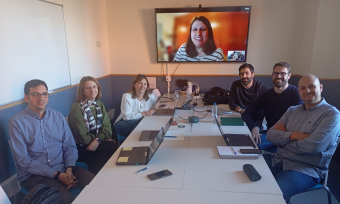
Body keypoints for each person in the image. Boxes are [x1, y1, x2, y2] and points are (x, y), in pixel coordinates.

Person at [9, 79, 94, 204]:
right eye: (35, 94)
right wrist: (56, 175)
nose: (41, 97)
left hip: (64, 167)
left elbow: (69, 146)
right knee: (65, 200)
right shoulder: (16, 122)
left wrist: (69, 168)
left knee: (97, 185)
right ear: (26, 97)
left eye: (44, 94)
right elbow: (24, 161)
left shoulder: (57, 116)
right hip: (35, 175)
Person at [264, 74, 340, 200]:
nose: (307, 91)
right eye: (303, 88)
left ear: (320, 87)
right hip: (277, 159)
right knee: (242, 174)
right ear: (298, 91)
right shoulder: (292, 110)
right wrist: (293, 135)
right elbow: (270, 135)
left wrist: (283, 141)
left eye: (311, 86)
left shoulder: (332, 115)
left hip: (304, 169)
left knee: (272, 195)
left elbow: (313, 147)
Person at [241, 62, 303, 151]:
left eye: (283, 73)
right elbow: (246, 114)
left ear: (289, 76)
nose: (279, 76)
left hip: (289, 135)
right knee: (243, 141)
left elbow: (301, 118)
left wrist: (287, 131)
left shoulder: (296, 93)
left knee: (251, 145)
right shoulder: (265, 95)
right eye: (276, 73)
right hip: (271, 133)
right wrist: (254, 127)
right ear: (272, 75)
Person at [68, 76, 118, 175]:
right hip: (82, 147)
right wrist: (101, 139)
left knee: (111, 146)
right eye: (88, 87)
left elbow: (107, 129)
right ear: (82, 91)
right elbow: (84, 138)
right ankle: (99, 178)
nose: (92, 90)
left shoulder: (99, 105)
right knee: (110, 147)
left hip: (97, 143)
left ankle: (110, 175)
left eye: (94, 87)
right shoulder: (76, 108)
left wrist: (98, 140)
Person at [115, 74, 157, 140]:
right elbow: (126, 117)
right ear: (134, 85)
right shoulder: (127, 96)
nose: (142, 86)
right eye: (140, 83)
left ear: (147, 86)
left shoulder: (150, 97)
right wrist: (144, 113)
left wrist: (153, 110)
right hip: (124, 123)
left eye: (145, 84)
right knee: (138, 124)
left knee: (144, 124)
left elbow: (155, 107)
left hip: (142, 122)